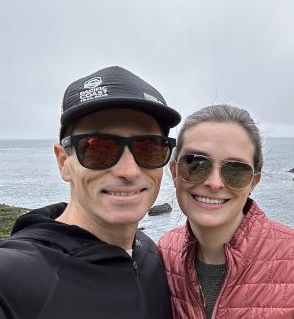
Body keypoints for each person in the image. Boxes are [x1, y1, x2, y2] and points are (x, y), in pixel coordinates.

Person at [0, 66, 180, 319]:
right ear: (64, 162)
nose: (128, 171)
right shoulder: (12, 279)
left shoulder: (151, 256)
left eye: (149, 148)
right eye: (99, 148)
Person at [158, 104, 294, 319]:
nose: (214, 182)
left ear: (253, 183)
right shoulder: (164, 253)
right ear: (173, 172)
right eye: (196, 163)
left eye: (235, 169)